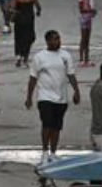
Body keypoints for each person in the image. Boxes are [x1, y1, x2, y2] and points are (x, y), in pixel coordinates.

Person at [25, 30, 81, 165]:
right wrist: (29, 97)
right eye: (54, 39)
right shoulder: (39, 57)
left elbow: (71, 75)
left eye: (58, 38)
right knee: (47, 124)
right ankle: (45, 153)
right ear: (48, 41)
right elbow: (33, 78)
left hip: (61, 98)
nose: (57, 41)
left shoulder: (65, 56)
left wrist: (76, 91)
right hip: (45, 97)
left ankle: (53, 153)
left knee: (56, 127)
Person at [11, 0, 41, 67]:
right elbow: (38, 6)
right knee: (29, 38)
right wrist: (38, 12)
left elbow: (12, 8)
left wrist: (12, 16)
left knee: (18, 37)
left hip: (19, 19)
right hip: (29, 19)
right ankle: (25, 57)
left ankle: (18, 55)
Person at [76, 0, 96, 67]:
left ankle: (87, 59)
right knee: (83, 39)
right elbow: (81, 10)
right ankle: (81, 59)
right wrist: (91, 11)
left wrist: (91, 12)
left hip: (88, 18)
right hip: (84, 18)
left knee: (87, 39)